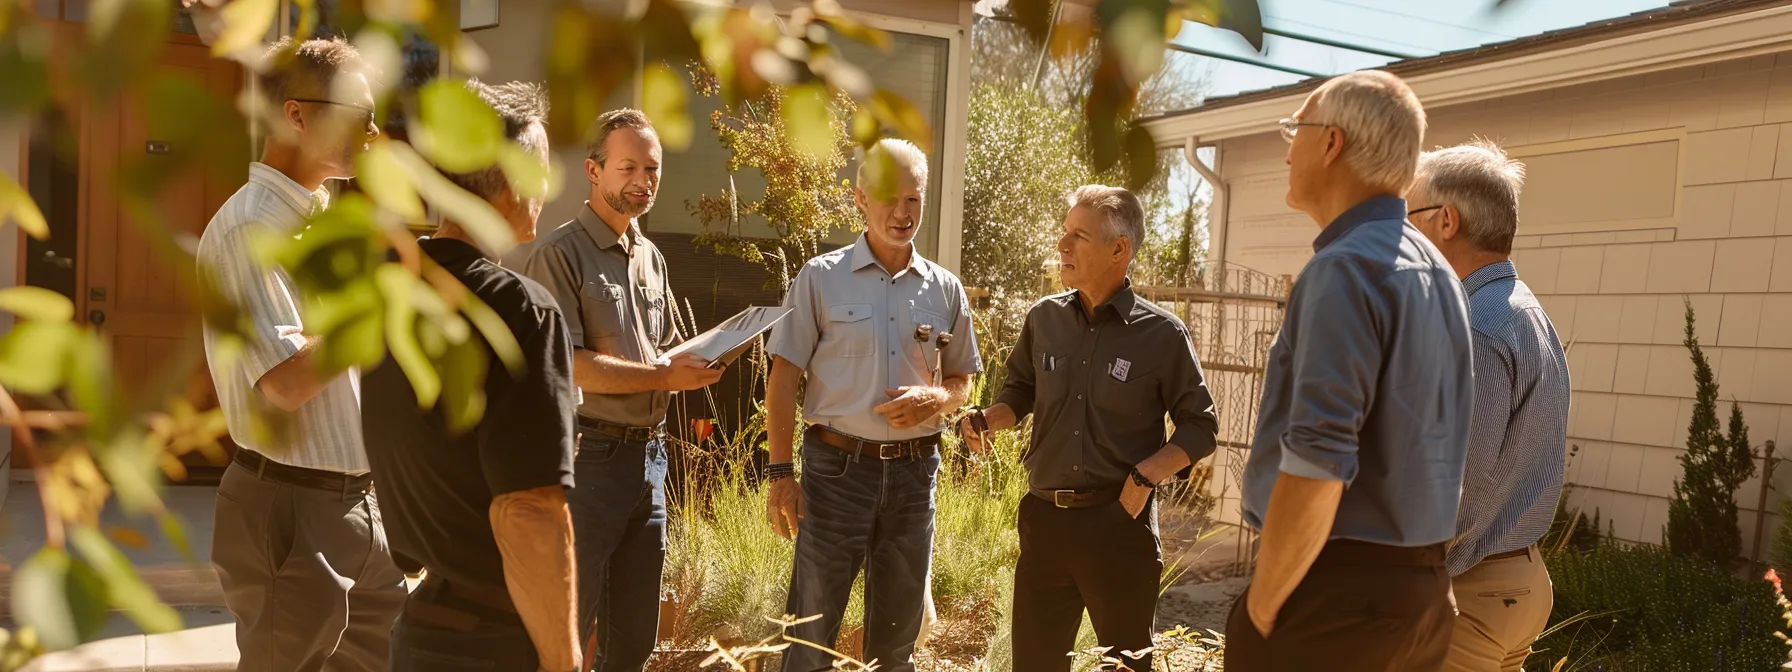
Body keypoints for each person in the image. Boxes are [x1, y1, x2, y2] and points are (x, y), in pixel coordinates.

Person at [1223, 70, 1473, 672]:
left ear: (1332, 143)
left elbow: (1318, 461)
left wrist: (1261, 606)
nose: (1287, 151)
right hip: (1422, 600)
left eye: (1295, 131)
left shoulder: (1344, 270)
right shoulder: (1441, 274)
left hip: (1333, 601)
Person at [196, 36, 406, 672]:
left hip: (360, 506)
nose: (372, 132)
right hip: (289, 509)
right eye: (357, 113)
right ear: (295, 114)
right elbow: (285, 382)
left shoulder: (321, 221)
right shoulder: (249, 229)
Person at [360, 80, 581, 672]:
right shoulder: (522, 310)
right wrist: (564, 661)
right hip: (494, 640)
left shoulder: (391, 293)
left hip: (422, 630)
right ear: (509, 183)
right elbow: (529, 509)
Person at [958, 185, 1220, 672]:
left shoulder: (1162, 335)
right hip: (1046, 523)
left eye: (1078, 236)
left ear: (1120, 249)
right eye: (1064, 232)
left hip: (1119, 526)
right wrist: (988, 419)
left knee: (1124, 667)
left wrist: (1145, 478)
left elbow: (1201, 426)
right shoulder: (1045, 319)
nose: (1062, 245)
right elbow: (1020, 391)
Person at [763, 138, 979, 672]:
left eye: (913, 198)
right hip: (835, 475)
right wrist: (780, 473)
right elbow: (783, 377)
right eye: (888, 197)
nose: (902, 212)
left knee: (896, 645)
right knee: (809, 639)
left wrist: (935, 400)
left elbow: (962, 383)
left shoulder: (945, 289)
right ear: (860, 198)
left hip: (913, 479)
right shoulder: (819, 277)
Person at [521, 108, 722, 672]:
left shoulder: (651, 257)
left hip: (649, 461)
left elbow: (667, 350)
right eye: (627, 167)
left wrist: (709, 354)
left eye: (652, 169)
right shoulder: (558, 255)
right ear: (593, 169)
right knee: (564, 634)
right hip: (588, 462)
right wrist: (663, 376)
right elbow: (569, 365)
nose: (643, 180)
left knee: (634, 640)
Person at [1407, 140, 1569, 672]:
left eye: (1409, 216)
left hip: (1468, 595)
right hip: (1521, 583)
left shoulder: (1474, 328)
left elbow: (1458, 488)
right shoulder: (1528, 311)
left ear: (1446, 221)